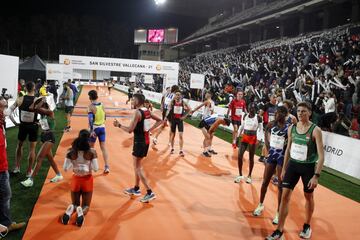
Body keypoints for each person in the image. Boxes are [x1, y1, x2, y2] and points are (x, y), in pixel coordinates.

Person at [266, 102, 325, 240]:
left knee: (308, 197)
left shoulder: (316, 130)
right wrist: (284, 167)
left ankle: (307, 226)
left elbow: (321, 156)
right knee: (285, 196)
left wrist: (316, 176)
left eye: (304, 111)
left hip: (308, 168)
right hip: (293, 165)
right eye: (298, 111)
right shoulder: (291, 128)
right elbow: (288, 149)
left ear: (310, 113)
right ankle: (279, 231)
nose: (300, 113)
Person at [113, 93, 163, 203]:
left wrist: (119, 125)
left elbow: (130, 130)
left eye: (133, 100)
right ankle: (136, 188)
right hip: (145, 141)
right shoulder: (147, 111)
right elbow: (160, 120)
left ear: (138, 101)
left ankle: (150, 192)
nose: (131, 101)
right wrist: (150, 129)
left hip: (139, 141)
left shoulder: (137, 112)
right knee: (136, 165)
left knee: (138, 167)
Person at [253, 106, 289, 225]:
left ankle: (278, 212)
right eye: (275, 113)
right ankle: (260, 205)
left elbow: (290, 144)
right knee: (265, 182)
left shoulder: (288, 127)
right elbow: (266, 136)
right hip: (272, 155)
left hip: (281, 158)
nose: (276, 115)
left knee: (280, 186)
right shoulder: (270, 124)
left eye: (278, 113)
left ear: (284, 114)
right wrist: (268, 150)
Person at [20, 97, 63, 187]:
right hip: (44, 138)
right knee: (50, 159)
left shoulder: (50, 112)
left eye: (38, 105)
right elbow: (31, 108)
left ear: (43, 105)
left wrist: (42, 100)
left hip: (49, 138)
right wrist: (36, 101)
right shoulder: (42, 114)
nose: (37, 107)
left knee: (39, 158)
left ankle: (30, 180)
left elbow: (35, 108)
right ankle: (59, 175)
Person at [61, 130, 99, 227]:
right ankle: (81, 212)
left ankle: (69, 212)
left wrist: (74, 164)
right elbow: (96, 168)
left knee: (74, 203)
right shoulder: (92, 152)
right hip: (87, 180)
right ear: (88, 139)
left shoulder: (70, 151)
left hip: (76, 180)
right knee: (86, 205)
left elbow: (65, 168)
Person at [0, 97, 26, 236]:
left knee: (4, 196)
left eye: (5, 106)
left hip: (3, 166)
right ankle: (6, 225)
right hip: (1, 169)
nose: (5, 110)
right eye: (2, 107)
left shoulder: (1, 122)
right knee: (5, 195)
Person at [8, 81, 38, 176]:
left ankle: (17, 167)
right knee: (32, 149)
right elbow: (45, 114)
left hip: (23, 126)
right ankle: (29, 171)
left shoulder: (20, 99)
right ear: (34, 89)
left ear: (25, 89)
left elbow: (8, 112)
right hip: (33, 126)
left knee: (20, 145)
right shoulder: (37, 100)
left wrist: (14, 122)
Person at [234, 103, 262, 184]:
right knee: (239, 156)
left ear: (255, 110)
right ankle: (240, 175)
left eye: (253, 108)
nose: (251, 110)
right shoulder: (245, 115)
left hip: (252, 138)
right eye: (250, 108)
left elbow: (260, 130)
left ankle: (249, 176)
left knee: (251, 158)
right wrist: (237, 137)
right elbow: (242, 126)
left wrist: (260, 140)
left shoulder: (258, 117)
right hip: (244, 137)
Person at [87, 90, 110, 174]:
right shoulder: (102, 105)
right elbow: (105, 116)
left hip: (95, 129)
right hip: (102, 128)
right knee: (103, 148)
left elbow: (90, 119)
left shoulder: (90, 106)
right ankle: (107, 166)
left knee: (91, 148)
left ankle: (90, 167)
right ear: (97, 96)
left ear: (90, 97)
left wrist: (91, 130)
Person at [167, 90, 191, 156]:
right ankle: (172, 148)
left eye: (179, 95)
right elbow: (168, 110)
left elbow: (189, 109)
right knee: (173, 135)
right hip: (173, 120)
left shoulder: (183, 102)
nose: (177, 96)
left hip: (180, 120)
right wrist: (169, 120)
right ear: (175, 96)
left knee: (180, 135)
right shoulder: (172, 102)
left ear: (180, 96)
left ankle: (181, 150)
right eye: (176, 94)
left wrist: (184, 116)